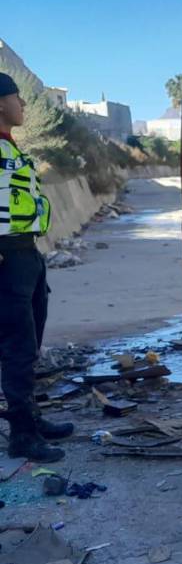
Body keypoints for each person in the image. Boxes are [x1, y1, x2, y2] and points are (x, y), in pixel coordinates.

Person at [0, 72, 73, 463]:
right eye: (18, 98)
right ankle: (22, 437)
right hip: (5, 258)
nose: (24, 105)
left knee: (28, 347)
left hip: (26, 255)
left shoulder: (9, 147)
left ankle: (32, 419)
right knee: (16, 348)